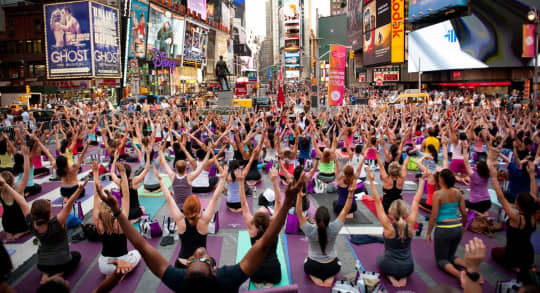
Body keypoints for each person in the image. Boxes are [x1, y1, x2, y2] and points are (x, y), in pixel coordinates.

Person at [95, 168, 304, 292]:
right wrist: (286, 202)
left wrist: (116, 210)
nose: (199, 253)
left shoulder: (179, 279)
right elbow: (266, 241)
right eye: (202, 259)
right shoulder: (226, 278)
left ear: (186, 271)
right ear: (214, 270)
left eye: (195, 259)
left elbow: (142, 245)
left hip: (179, 260)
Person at [157, 156, 226, 268]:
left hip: (181, 264)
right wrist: (222, 179)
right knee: (213, 262)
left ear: (185, 208)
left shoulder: (180, 221)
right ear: (199, 209)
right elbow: (215, 198)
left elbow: (169, 199)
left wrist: (160, 181)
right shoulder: (204, 221)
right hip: (200, 264)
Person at [366, 167, 424, 288]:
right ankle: (402, 276)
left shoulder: (388, 227)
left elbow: (377, 201)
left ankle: (391, 276)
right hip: (409, 267)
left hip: (389, 265)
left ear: (391, 213)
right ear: (404, 212)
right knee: (398, 263)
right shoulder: (410, 225)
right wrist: (423, 180)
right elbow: (416, 201)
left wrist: (371, 181)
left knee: (380, 258)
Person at [23, 176, 88, 284]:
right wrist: (79, 190)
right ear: (48, 214)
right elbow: (69, 204)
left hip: (41, 264)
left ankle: (45, 274)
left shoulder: (31, 223)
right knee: (76, 256)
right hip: (61, 262)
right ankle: (55, 276)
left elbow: (21, 201)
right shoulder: (57, 223)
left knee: (50, 263)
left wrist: (6, 185)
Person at [296, 177, 355, 287]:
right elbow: (345, 210)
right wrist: (350, 194)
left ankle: (315, 277)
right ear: (329, 219)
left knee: (305, 263)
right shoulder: (334, 227)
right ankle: (329, 277)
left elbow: (299, 213)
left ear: (316, 219)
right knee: (338, 264)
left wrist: (299, 197)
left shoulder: (310, 229)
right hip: (332, 267)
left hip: (313, 267)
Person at [92, 163, 141, 292]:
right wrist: (123, 173)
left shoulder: (98, 222)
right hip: (123, 261)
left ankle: (112, 275)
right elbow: (126, 194)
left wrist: (96, 173)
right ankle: (120, 272)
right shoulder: (120, 223)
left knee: (105, 261)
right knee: (137, 253)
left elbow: (96, 196)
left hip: (104, 265)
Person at [488, 160, 537, 277]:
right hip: (529, 254)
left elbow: (501, 198)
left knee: (494, 252)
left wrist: (494, 177)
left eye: (516, 201)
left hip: (513, 254)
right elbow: (534, 193)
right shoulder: (533, 214)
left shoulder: (516, 218)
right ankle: (521, 266)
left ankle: (514, 266)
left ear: (519, 205)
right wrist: (531, 174)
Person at [237, 167, 282, 288]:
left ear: (255, 219)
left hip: (256, 271)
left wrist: (241, 183)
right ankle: (268, 285)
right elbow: (278, 202)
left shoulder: (252, 228)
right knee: (271, 282)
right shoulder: (274, 225)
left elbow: (244, 204)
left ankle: (259, 284)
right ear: (269, 218)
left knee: (257, 281)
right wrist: (275, 182)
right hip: (274, 271)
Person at [426, 169, 468, 281]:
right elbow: (464, 213)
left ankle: (459, 275)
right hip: (457, 228)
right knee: (451, 256)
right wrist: (464, 226)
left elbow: (434, 216)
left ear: (441, 180)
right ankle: (470, 268)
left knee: (442, 260)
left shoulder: (438, 194)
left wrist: (428, 233)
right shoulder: (458, 192)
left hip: (444, 230)